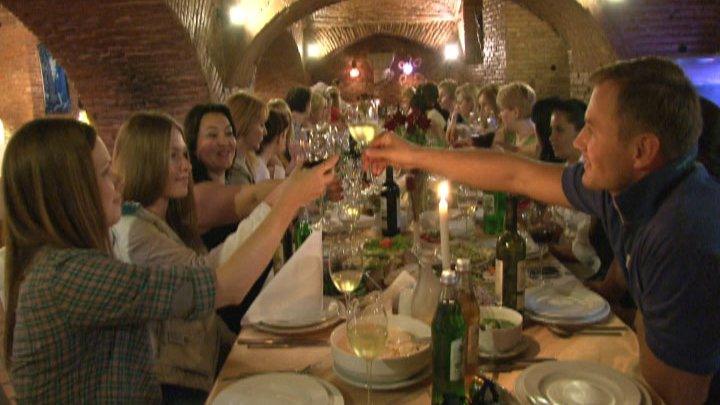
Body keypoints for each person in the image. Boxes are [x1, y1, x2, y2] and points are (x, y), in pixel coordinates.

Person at [364, 57, 720, 404]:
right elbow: (514, 174)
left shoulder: (683, 236)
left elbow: (670, 397)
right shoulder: (629, 187)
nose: (580, 142)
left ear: (642, 150)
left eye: (592, 130)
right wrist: (412, 155)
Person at [2, 118, 337, 403]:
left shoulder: (65, 264)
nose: (119, 179)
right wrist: (290, 200)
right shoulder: (67, 276)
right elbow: (222, 286)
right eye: (105, 172)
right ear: (69, 193)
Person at [111, 112, 281, 402]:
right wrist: (279, 204)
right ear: (144, 160)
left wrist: (247, 352)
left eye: (185, 155)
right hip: (174, 386)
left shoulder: (166, 220)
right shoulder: (134, 230)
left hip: (200, 366)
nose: (186, 166)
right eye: (173, 157)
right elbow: (211, 277)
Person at [184, 103, 279, 250]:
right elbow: (254, 199)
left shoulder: (229, 182)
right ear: (193, 145)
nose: (223, 142)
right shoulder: (197, 195)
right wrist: (305, 180)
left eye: (229, 133)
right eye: (212, 135)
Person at [227, 91, 269, 186]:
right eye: (261, 125)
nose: (265, 132)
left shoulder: (245, 160)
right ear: (245, 124)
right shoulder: (234, 169)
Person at [493, 81, 539, 158]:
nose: (499, 115)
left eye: (502, 110)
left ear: (516, 112)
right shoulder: (510, 134)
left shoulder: (539, 140)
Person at [256, 109, 290, 182]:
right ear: (280, 137)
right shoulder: (262, 171)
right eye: (285, 135)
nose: (286, 140)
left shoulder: (257, 163)